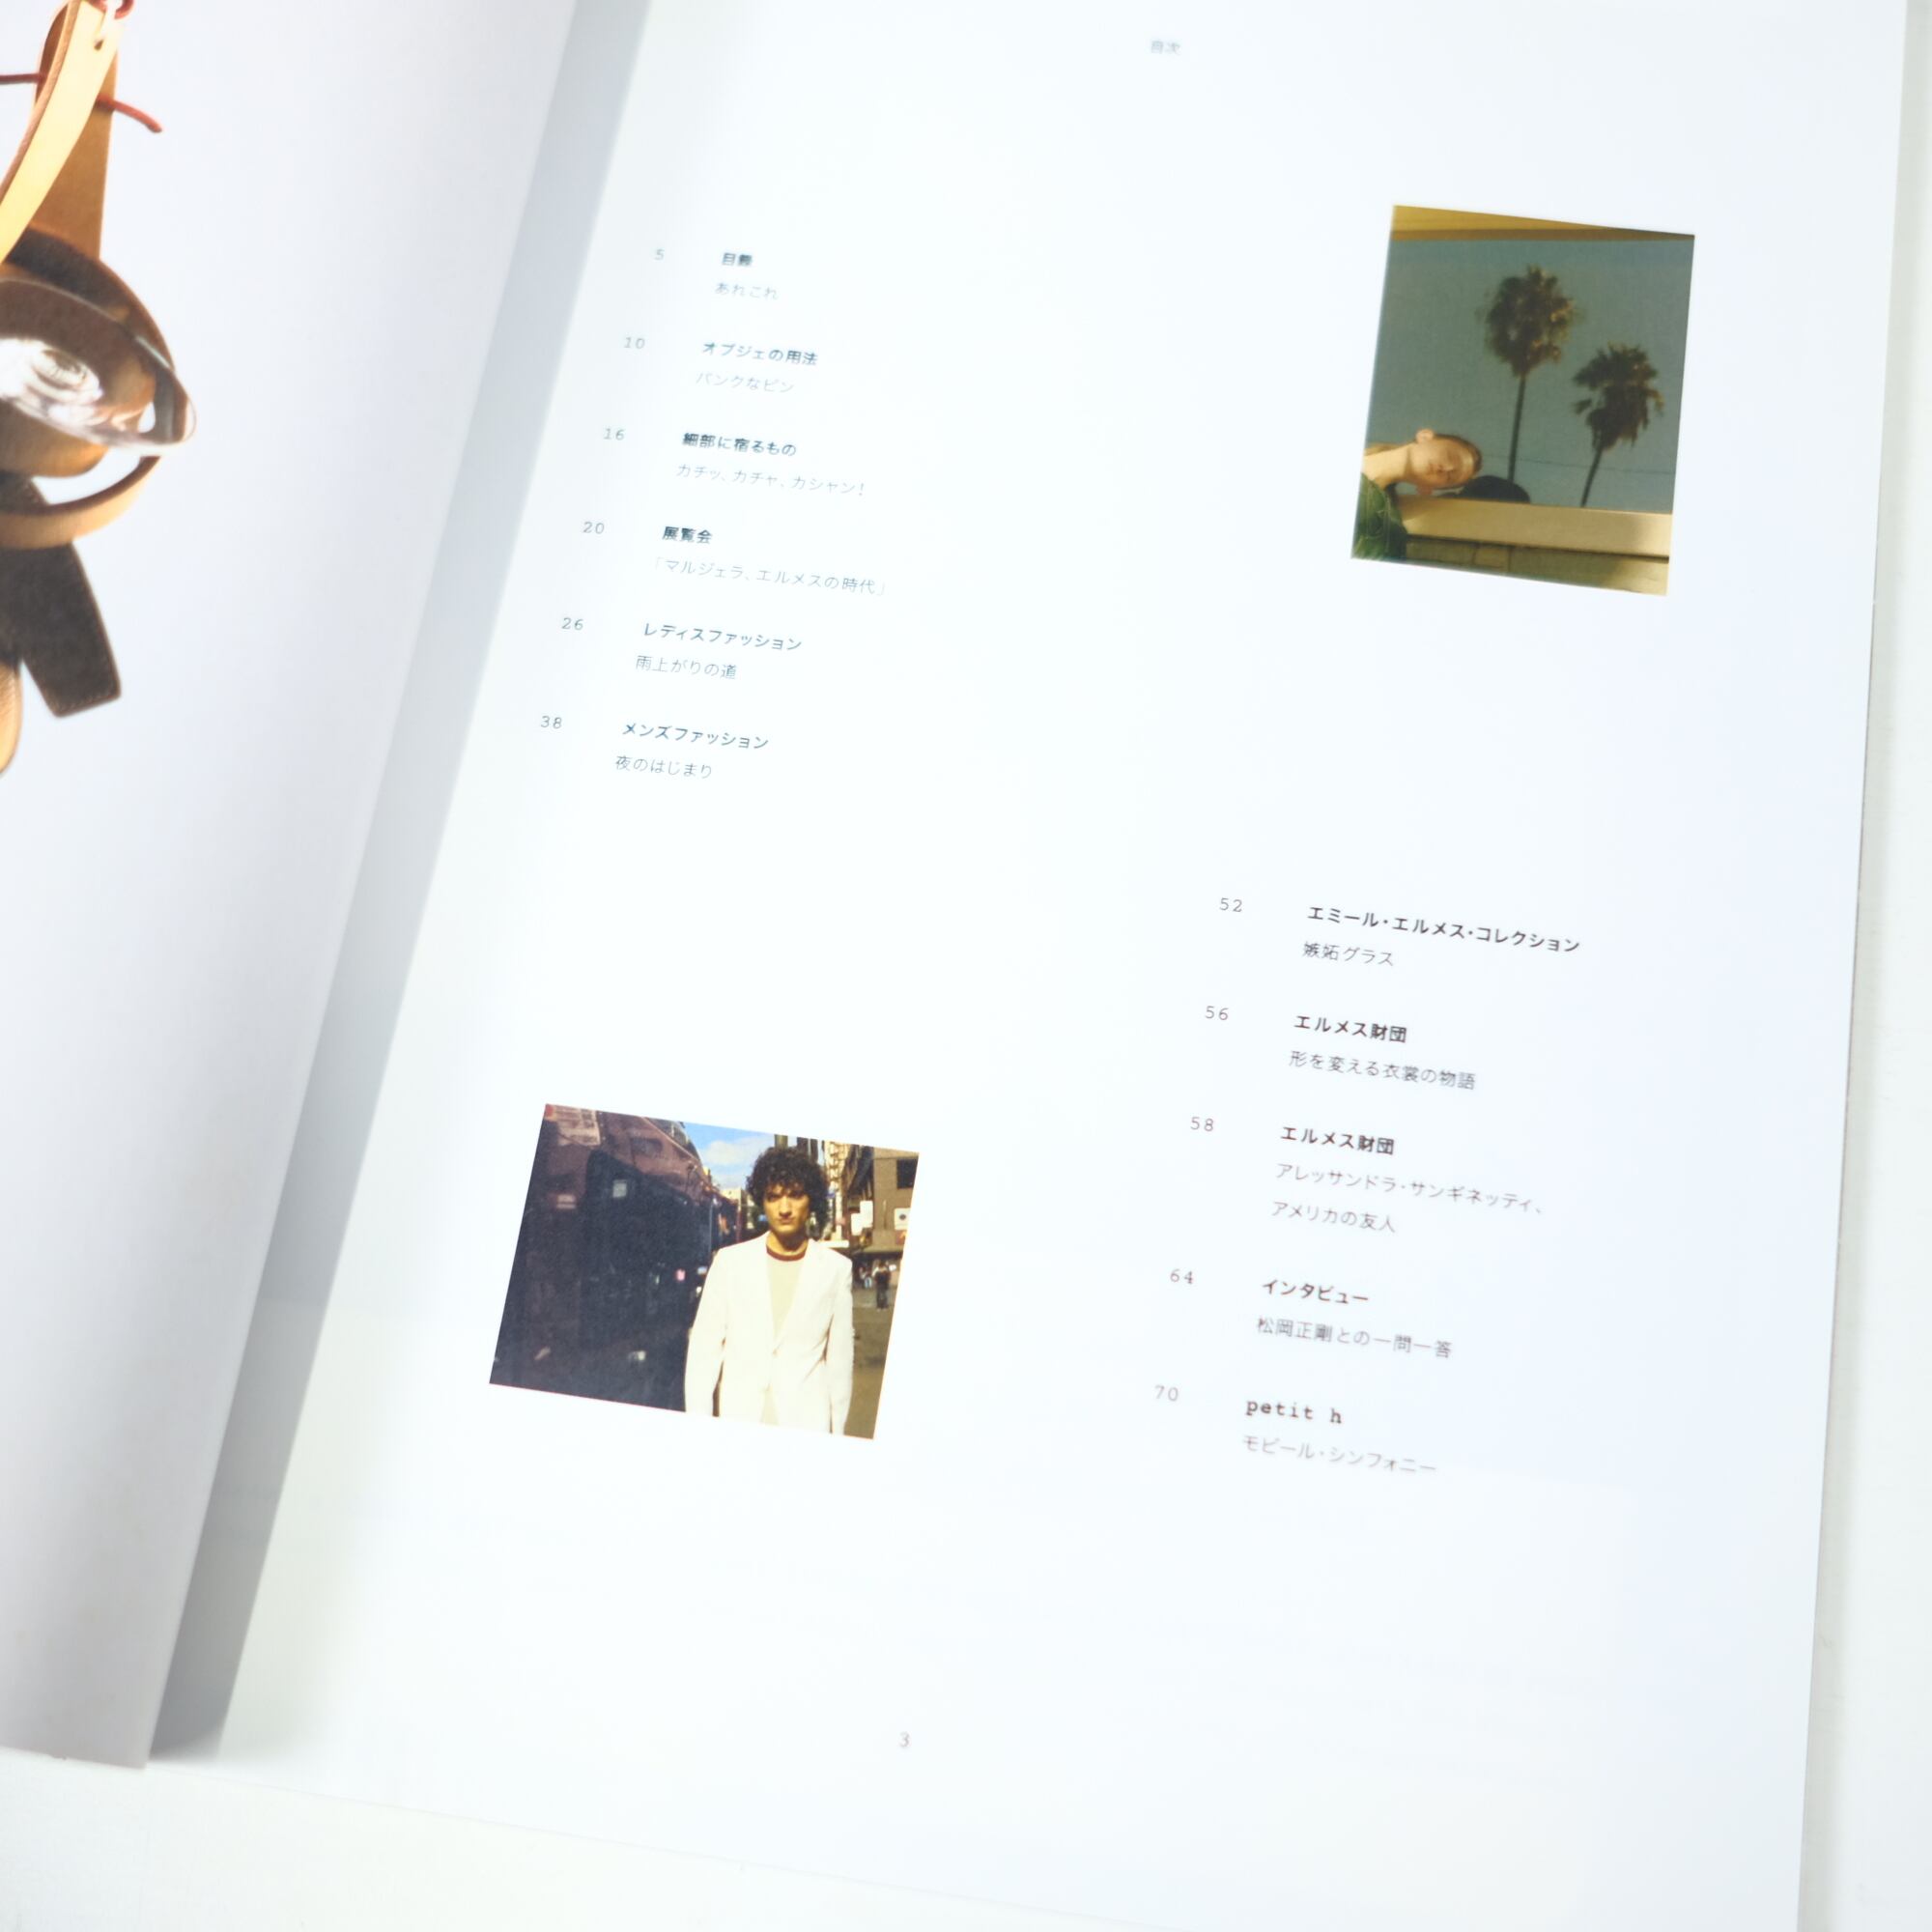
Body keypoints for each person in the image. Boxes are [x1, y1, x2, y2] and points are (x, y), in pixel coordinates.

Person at [684, 1145, 854, 1432]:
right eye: (773, 1197)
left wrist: (837, 1434)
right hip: (740, 1420)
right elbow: (704, 1352)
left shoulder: (836, 1270)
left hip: (808, 1424)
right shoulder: (729, 1263)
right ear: (762, 1202)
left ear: (811, 1200)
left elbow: (840, 1363)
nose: (784, 1209)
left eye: (795, 1195)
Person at [1354, 429, 1482, 559]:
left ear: (1428, 487)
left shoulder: (1387, 533)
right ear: (1424, 436)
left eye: (1450, 477)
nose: (1446, 468)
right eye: (1449, 456)